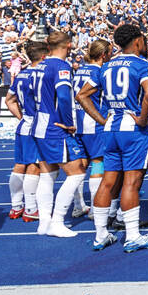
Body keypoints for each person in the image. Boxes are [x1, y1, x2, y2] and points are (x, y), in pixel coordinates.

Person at [76, 23, 148, 253]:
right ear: (137, 41)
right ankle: (132, 235)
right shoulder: (144, 65)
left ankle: (100, 235)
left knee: (108, 181)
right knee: (131, 182)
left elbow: (82, 95)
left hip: (111, 127)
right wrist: (143, 120)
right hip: (132, 129)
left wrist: (102, 120)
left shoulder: (106, 66)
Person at [32, 31, 87, 238]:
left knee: (48, 174)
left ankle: (44, 222)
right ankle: (57, 221)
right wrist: (68, 123)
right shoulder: (61, 66)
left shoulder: (40, 65)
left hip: (40, 124)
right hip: (54, 127)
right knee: (77, 171)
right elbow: (63, 96)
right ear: (69, 45)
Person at [5, 40, 48, 222]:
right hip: (37, 126)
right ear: (44, 56)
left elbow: (9, 100)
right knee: (34, 166)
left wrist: (22, 118)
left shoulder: (22, 74)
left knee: (19, 165)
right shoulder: (42, 75)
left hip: (24, 125)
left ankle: (16, 207)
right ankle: (31, 208)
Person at [72, 39, 112, 215]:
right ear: (104, 54)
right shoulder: (100, 72)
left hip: (78, 123)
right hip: (94, 123)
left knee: (80, 166)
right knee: (98, 163)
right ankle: (95, 208)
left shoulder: (80, 70)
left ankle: (78, 206)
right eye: (110, 52)